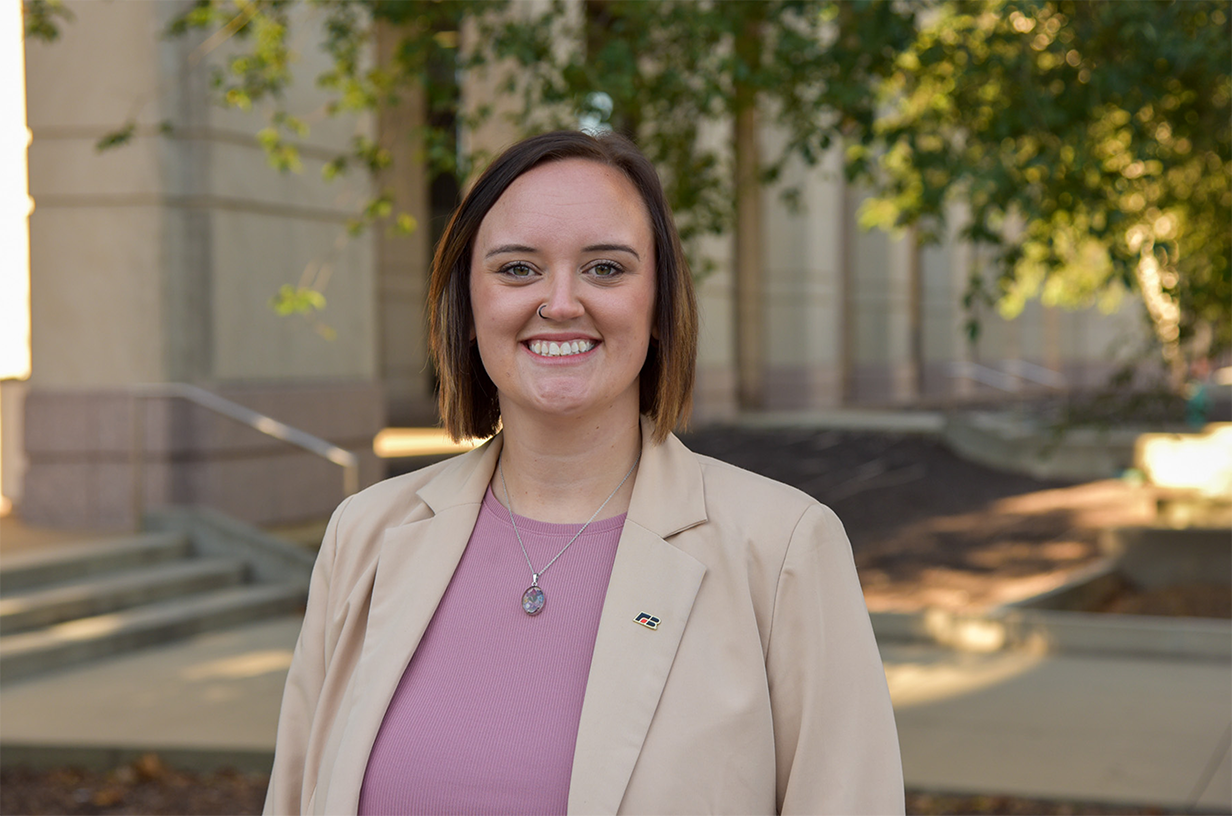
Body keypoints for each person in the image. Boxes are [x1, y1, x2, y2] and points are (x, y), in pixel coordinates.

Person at [263, 130, 903, 816]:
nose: (562, 302)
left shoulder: (782, 550)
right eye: (518, 269)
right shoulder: (363, 535)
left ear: (658, 304)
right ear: (467, 307)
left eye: (605, 268)